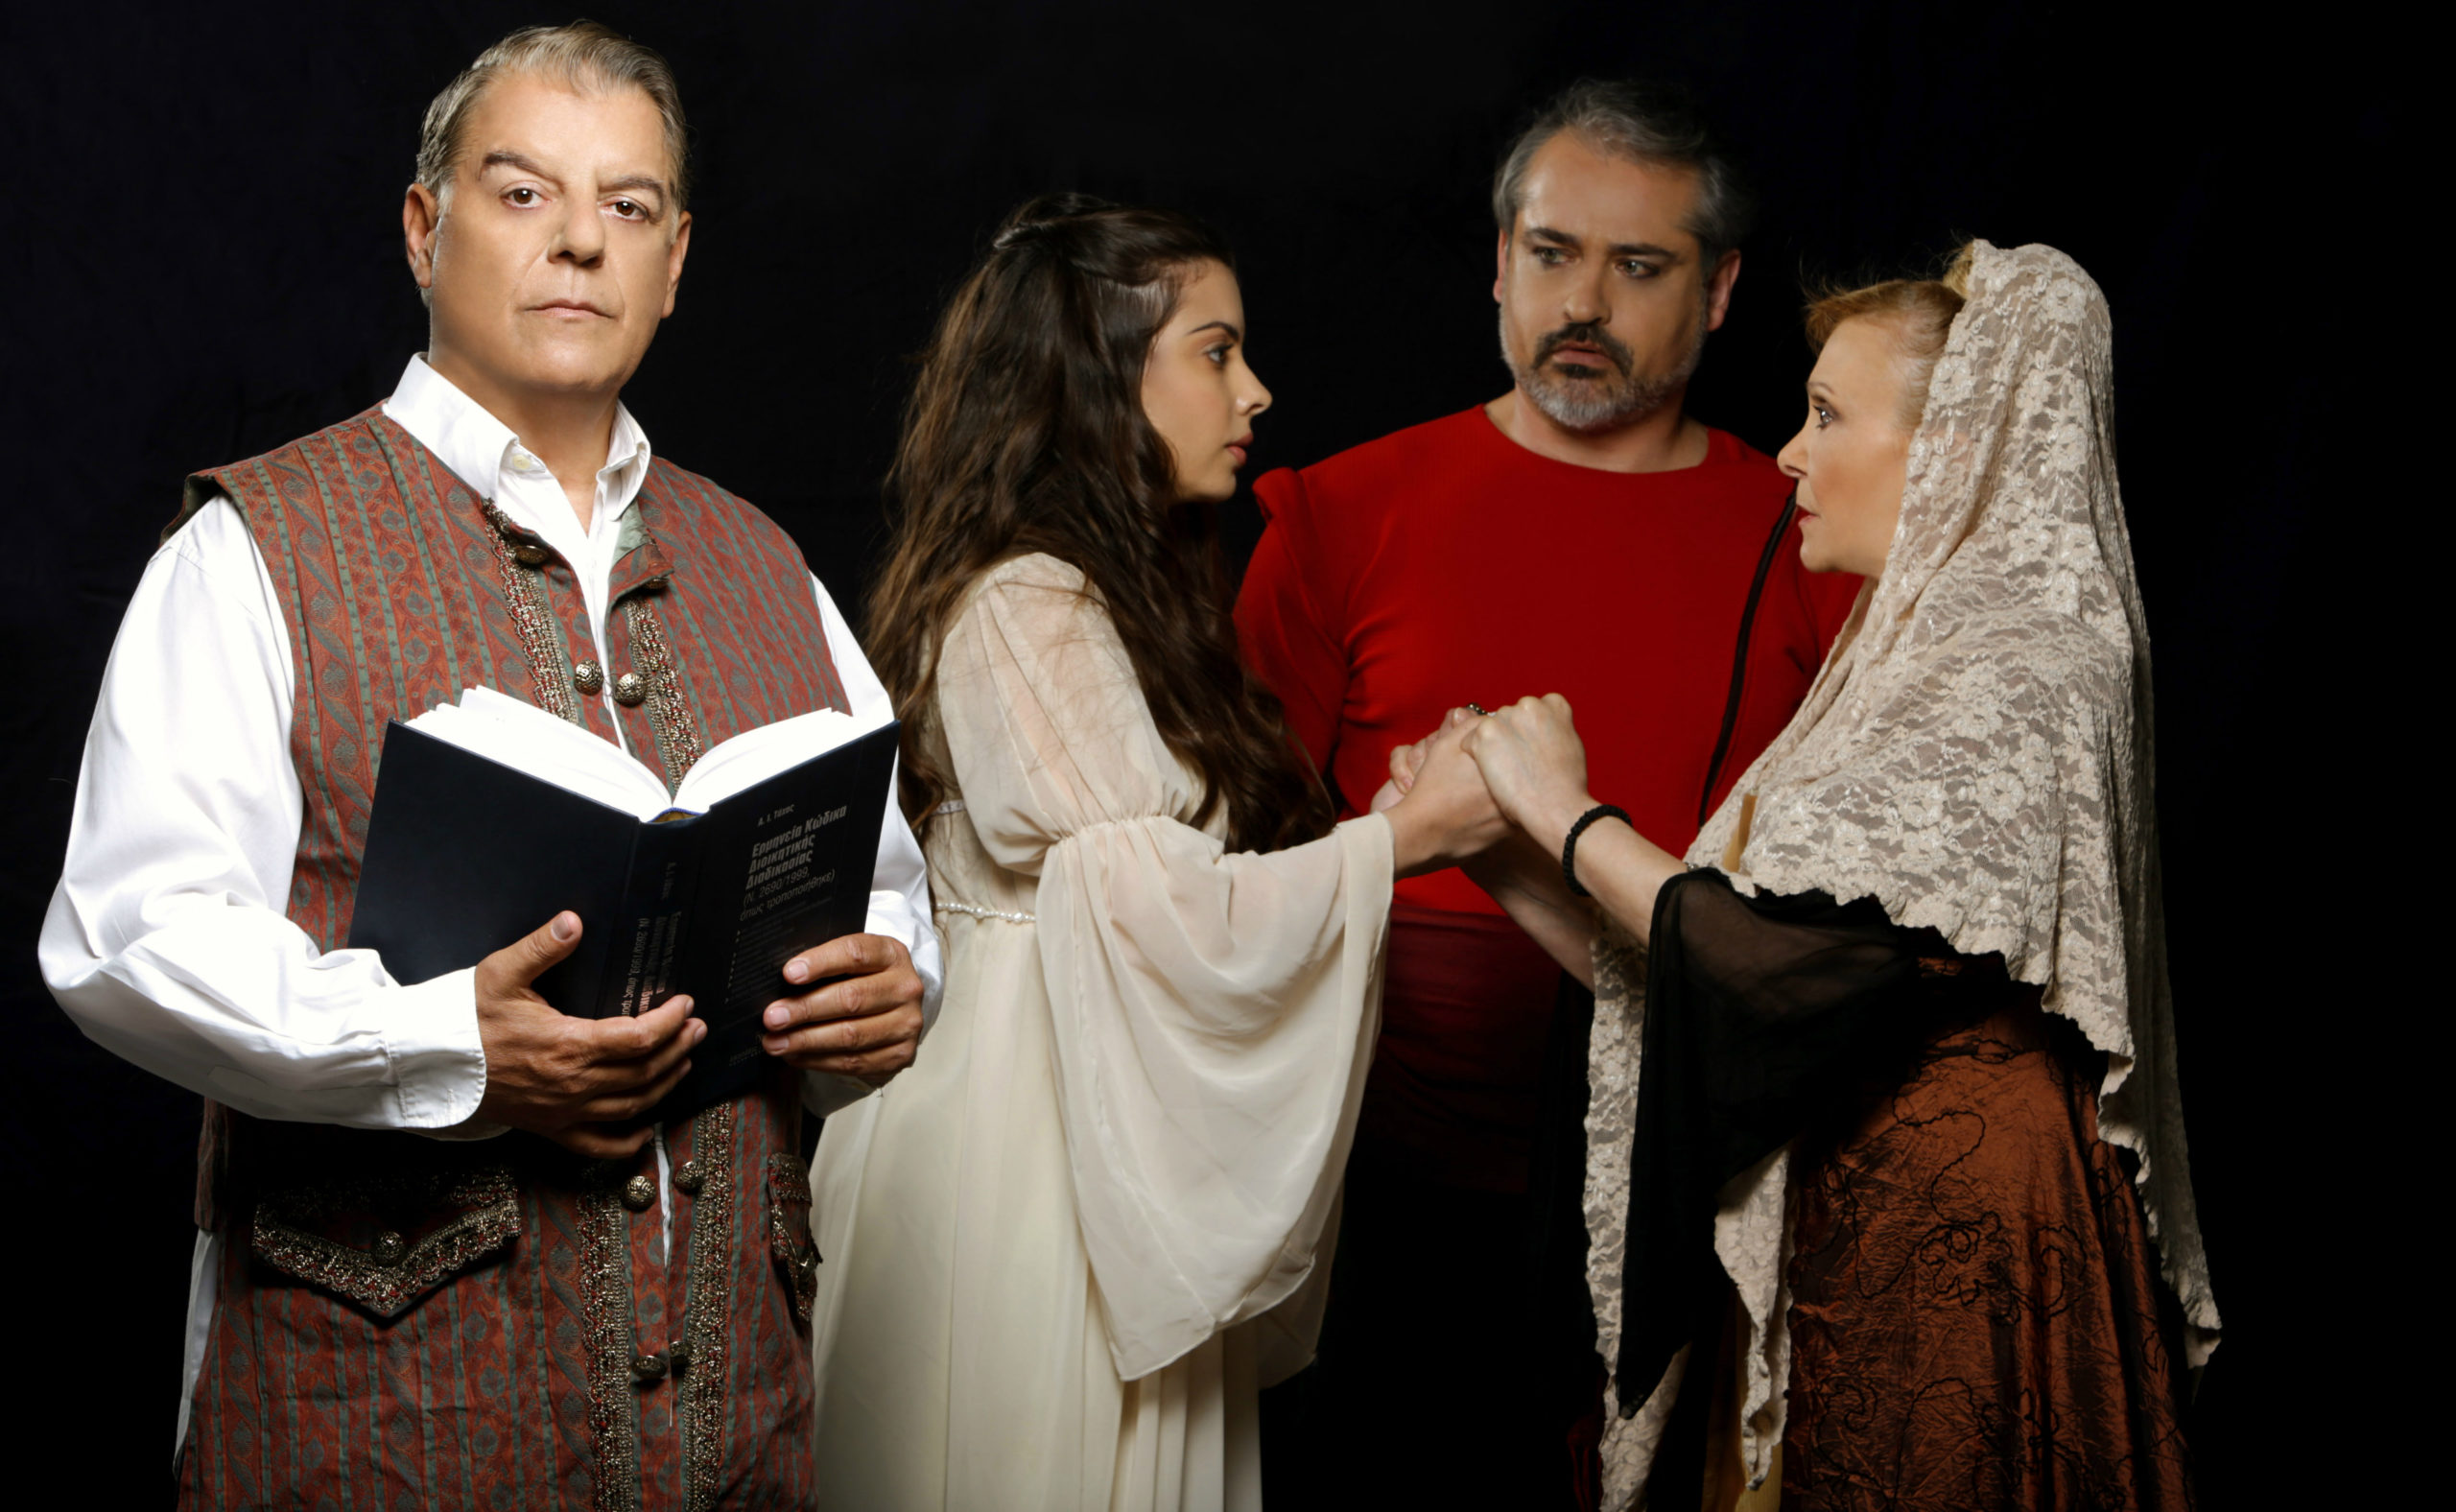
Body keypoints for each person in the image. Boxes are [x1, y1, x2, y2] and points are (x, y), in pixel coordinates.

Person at [39, 24, 940, 1509]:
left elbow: (888, 892)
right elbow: (131, 935)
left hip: (737, 1427)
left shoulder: (767, 562)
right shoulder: (256, 548)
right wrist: (446, 1042)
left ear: (675, 257)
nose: (581, 241)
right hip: (382, 1429)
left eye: (629, 206)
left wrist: (891, 987)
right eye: (523, 193)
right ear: (423, 227)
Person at [1425, 241, 2219, 1509]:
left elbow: (1776, 966)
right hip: (1853, 1206)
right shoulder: (1903, 667)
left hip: (1952, 1239)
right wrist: (1503, 850)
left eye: (1828, 415)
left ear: (1953, 448)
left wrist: (1561, 811)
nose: (1791, 454)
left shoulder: (2025, 666)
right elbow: (1730, 987)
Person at [806, 195, 1509, 1512]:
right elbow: (1158, 917)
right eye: (1215, 351)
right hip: (1027, 1148)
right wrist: (1407, 841)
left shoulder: (1118, 602)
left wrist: (1384, 821)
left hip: (1098, 1119)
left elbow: (1183, 888)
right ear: (1098, 377)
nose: (1256, 390)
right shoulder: (1028, 603)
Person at [1232, 78, 1860, 1499]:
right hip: (1361, 1183)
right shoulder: (1338, 512)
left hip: (1684, 1181)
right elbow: (1235, 858)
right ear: (1501, 261)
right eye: (1552, 253)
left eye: (1638, 266)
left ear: (1718, 292)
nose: (1583, 302)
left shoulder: (1810, 532)